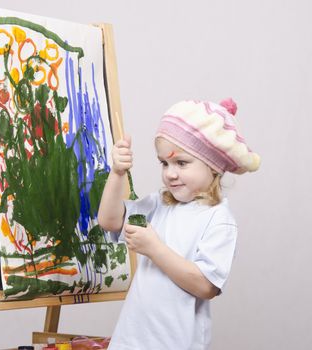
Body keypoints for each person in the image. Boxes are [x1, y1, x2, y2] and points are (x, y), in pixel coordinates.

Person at [98, 98, 260, 349]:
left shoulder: (218, 219)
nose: (170, 173)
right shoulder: (160, 204)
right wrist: (117, 173)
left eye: (181, 163)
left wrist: (154, 248)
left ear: (213, 166)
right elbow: (110, 220)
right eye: (164, 163)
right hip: (131, 342)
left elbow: (206, 286)